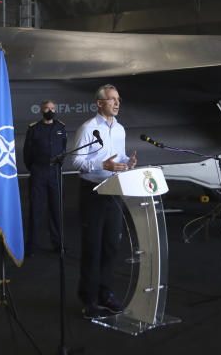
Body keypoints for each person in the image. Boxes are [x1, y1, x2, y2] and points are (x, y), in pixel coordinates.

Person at [71, 84, 136, 319]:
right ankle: (88, 299)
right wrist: (102, 165)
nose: (117, 103)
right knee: (93, 248)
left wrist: (127, 162)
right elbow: (76, 163)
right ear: (99, 103)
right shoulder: (88, 128)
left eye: (118, 99)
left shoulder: (119, 129)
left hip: (114, 191)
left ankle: (105, 293)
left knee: (111, 246)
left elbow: (118, 156)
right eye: (111, 100)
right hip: (92, 192)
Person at [23, 100, 67, 255]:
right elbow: (27, 153)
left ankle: (58, 244)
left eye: (53, 108)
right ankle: (32, 246)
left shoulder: (60, 127)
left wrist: (58, 165)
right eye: (48, 108)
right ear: (41, 110)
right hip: (38, 172)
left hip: (55, 173)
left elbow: (63, 149)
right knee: (35, 210)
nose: (51, 110)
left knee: (56, 211)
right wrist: (34, 168)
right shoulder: (34, 128)